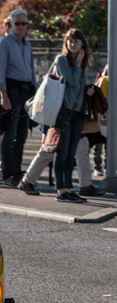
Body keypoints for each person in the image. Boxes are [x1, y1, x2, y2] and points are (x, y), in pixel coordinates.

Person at [0, 9, 38, 188]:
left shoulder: (27, 45)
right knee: (10, 134)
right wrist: (3, 95)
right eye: (17, 24)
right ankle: (8, 173)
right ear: (11, 25)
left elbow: (32, 71)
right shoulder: (4, 43)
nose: (20, 27)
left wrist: (34, 94)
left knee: (22, 135)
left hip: (26, 91)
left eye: (23, 23)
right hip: (11, 90)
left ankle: (17, 170)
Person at [51, 28, 94, 203]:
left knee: (70, 153)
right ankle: (61, 189)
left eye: (77, 41)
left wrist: (89, 90)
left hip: (76, 113)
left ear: (83, 44)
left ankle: (69, 188)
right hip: (63, 111)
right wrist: (78, 65)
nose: (73, 44)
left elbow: (79, 87)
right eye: (70, 41)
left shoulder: (82, 63)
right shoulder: (61, 60)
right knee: (61, 151)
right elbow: (72, 81)